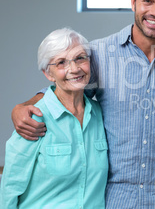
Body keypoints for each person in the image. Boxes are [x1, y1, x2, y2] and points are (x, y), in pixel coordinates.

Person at [10, 0, 155, 208]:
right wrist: (24, 106)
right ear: (133, 1)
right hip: (112, 198)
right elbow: (63, 90)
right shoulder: (99, 54)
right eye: (147, 1)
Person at [1, 28, 108, 208]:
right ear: (48, 73)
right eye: (61, 63)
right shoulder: (33, 119)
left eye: (80, 58)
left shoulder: (100, 115)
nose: (74, 69)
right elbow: (11, 188)